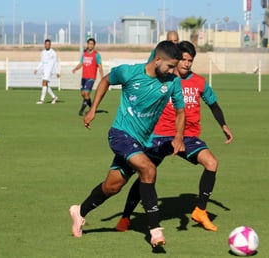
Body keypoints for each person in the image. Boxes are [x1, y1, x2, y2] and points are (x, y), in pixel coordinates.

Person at [69, 40, 185, 247]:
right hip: (120, 134)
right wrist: (93, 109)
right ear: (157, 60)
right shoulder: (129, 73)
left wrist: (178, 137)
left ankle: (80, 211)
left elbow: (180, 111)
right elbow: (105, 80)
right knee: (148, 170)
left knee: (112, 187)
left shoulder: (173, 82)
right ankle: (155, 230)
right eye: (169, 66)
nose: (172, 70)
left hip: (140, 143)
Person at [115, 41, 233, 233]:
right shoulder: (164, 80)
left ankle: (200, 211)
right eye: (183, 60)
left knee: (212, 163)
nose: (186, 64)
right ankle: (126, 217)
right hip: (159, 136)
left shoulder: (200, 82)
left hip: (187, 137)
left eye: (190, 61)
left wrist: (224, 125)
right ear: (176, 61)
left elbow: (213, 104)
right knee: (145, 176)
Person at [72, 38, 104, 116]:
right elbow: (81, 63)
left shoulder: (96, 55)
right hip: (84, 77)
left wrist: (102, 77)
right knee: (83, 94)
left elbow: (100, 66)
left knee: (86, 94)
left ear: (94, 45)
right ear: (87, 44)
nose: (90, 45)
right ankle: (92, 107)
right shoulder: (85, 54)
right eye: (89, 44)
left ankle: (81, 110)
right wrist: (76, 68)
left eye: (92, 44)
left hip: (91, 77)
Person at [34, 39, 60, 104]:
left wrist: (57, 72)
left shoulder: (53, 53)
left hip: (49, 71)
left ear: (50, 45)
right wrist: (37, 68)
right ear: (44, 45)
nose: (47, 45)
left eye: (48, 44)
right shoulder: (43, 52)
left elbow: (55, 63)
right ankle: (54, 97)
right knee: (45, 85)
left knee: (44, 83)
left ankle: (42, 100)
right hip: (44, 70)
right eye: (46, 44)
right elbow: (41, 62)